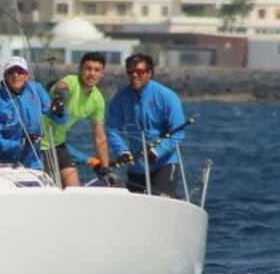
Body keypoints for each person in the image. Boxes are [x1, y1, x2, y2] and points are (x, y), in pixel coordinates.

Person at [105, 53, 187, 198]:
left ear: (150, 73)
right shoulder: (121, 97)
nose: (134, 75)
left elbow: (178, 133)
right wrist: (122, 151)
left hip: (164, 164)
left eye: (140, 71)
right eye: (130, 72)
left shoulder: (167, 97)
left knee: (160, 205)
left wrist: (157, 152)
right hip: (136, 167)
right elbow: (112, 129)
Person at [0, 55, 69, 170]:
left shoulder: (36, 89)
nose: (16, 75)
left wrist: (59, 111)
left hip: (33, 163)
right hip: (2, 165)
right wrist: (20, 144)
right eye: (11, 71)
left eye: (20, 71)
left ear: (26, 76)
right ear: (5, 76)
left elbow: (59, 118)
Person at [41, 52, 115, 187]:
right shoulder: (72, 81)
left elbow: (99, 136)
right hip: (37, 142)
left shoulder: (97, 100)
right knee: (43, 187)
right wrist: (61, 95)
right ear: (80, 69)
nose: (92, 73)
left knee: (74, 186)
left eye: (96, 70)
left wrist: (105, 168)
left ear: (102, 74)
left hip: (58, 144)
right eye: (88, 68)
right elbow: (62, 84)